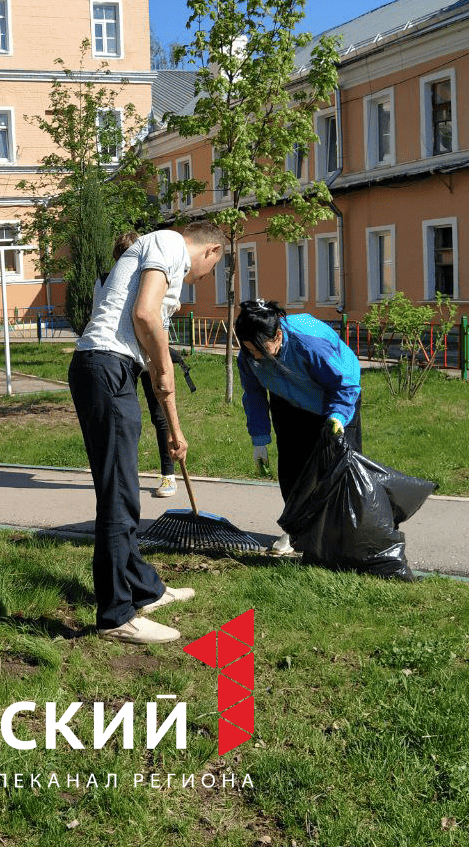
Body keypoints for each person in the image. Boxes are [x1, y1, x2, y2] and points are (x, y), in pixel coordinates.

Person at [70, 221, 225, 645]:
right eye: (212, 270)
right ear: (211, 251)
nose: (203, 278)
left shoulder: (160, 262)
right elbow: (144, 314)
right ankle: (116, 616)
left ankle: (145, 589)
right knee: (119, 494)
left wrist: (175, 429)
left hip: (108, 369)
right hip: (106, 367)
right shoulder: (170, 243)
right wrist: (165, 362)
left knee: (121, 490)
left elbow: (160, 376)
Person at [235, 299, 363, 555]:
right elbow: (254, 394)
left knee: (338, 467)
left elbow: (345, 382)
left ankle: (346, 534)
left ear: (278, 336)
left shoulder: (309, 343)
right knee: (292, 469)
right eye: (249, 349)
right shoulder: (249, 357)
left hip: (333, 398)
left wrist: (338, 416)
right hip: (287, 399)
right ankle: (297, 531)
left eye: (260, 349)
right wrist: (259, 438)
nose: (255, 356)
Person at [96, 231, 177, 499]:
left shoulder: (153, 278)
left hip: (149, 356)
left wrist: (162, 355)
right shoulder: (106, 281)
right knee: (127, 419)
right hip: (122, 356)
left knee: (159, 414)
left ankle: (168, 474)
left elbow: (159, 317)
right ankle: (125, 478)